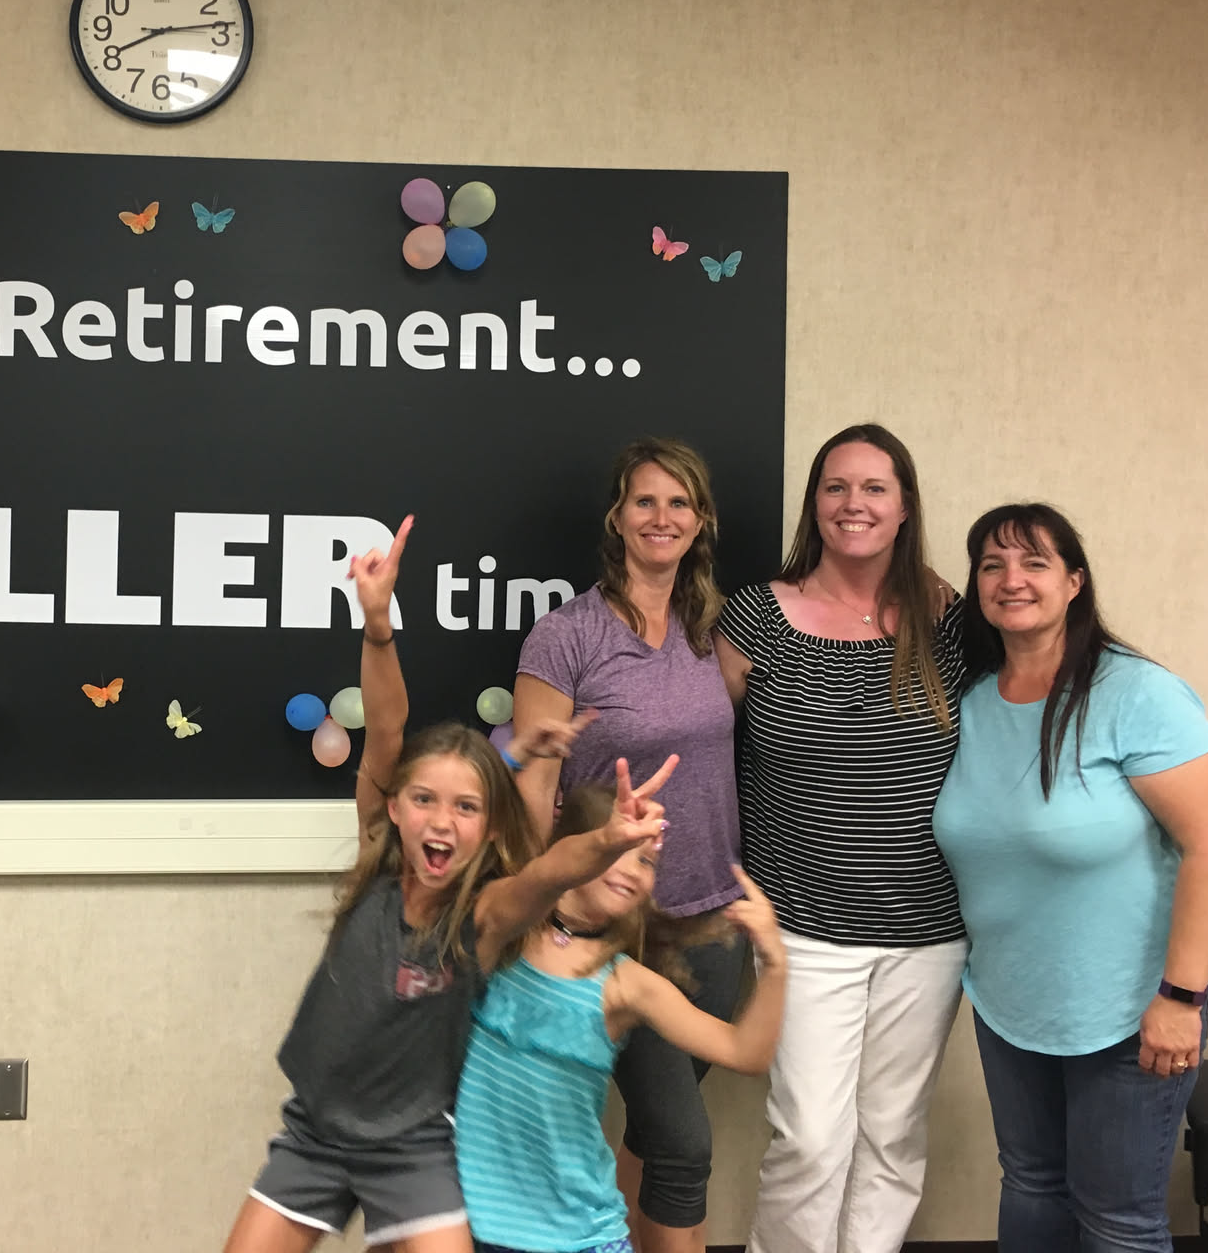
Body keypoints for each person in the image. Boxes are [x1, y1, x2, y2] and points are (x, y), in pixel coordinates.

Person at [223, 516, 675, 1253]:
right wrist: (378, 627)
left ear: (490, 829)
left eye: (466, 808)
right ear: (394, 807)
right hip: (315, 1136)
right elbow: (387, 729)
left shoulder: (485, 914)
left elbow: (549, 873)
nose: (441, 821)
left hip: (414, 1148)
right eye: (425, 800)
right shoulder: (379, 859)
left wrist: (607, 841)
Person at [933, 504, 1208, 1253]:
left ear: (1075, 581)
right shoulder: (972, 699)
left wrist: (1181, 998)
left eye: (1035, 563)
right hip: (1011, 1005)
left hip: (1132, 1012)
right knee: (1031, 1185)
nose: (1012, 579)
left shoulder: (1134, 693)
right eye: (992, 565)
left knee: (1117, 1220)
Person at [713, 424, 967, 1253]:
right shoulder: (756, 616)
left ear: (905, 507)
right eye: (836, 486)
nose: (853, 504)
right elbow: (703, 745)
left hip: (929, 931)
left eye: (874, 488)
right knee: (811, 1140)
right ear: (814, 502)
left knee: (893, 1139)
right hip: (801, 927)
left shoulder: (949, 620)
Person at [510, 437, 744, 1252]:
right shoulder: (565, 637)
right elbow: (532, 789)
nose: (661, 517)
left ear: (701, 520)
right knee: (683, 1143)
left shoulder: (712, 632)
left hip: (714, 919)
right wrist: (536, 912)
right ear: (617, 516)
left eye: (679, 502)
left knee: (653, 1132)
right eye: (645, 500)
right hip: (620, 926)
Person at [453, 780, 788, 1253]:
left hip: (579, 1236)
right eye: (620, 850)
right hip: (471, 1226)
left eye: (647, 861)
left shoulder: (628, 983)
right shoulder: (505, 931)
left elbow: (745, 1052)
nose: (633, 870)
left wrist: (776, 965)